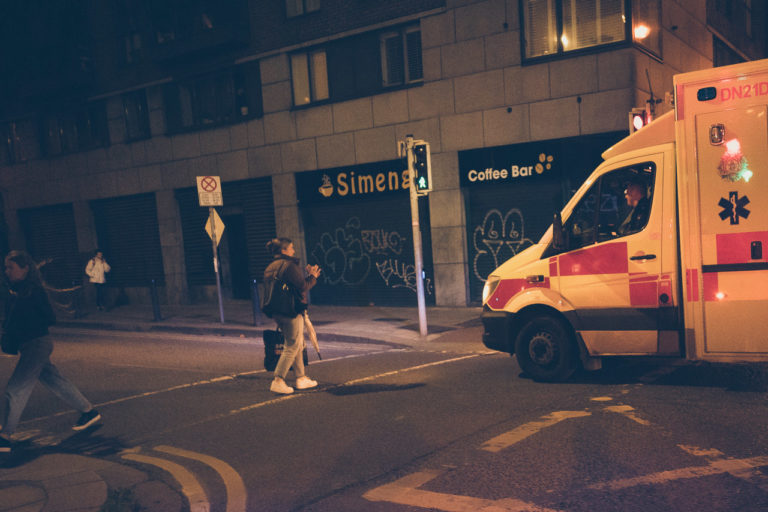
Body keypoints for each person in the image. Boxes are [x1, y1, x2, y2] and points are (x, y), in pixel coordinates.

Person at [0, 251, 100, 453]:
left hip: (37, 344)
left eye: (10, 267)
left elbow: (48, 317)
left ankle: (5, 436)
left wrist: (22, 323)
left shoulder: (33, 291)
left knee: (16, 388)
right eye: (5, 267)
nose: (6, 271)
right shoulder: (16, 290)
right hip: (29, 345)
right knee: (55, 380)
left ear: (25, 268)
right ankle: (89, 412)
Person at [264, 238, 321, 394]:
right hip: (290, 311)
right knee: (292, 345)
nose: (293, 250)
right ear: (284, 251)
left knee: (298, 343)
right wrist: (313, 276)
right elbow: (303, 287)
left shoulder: (272, 266)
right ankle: (278, 380)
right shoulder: (289, 266)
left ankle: (301, 378)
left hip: (277, 311)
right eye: (291, 248)